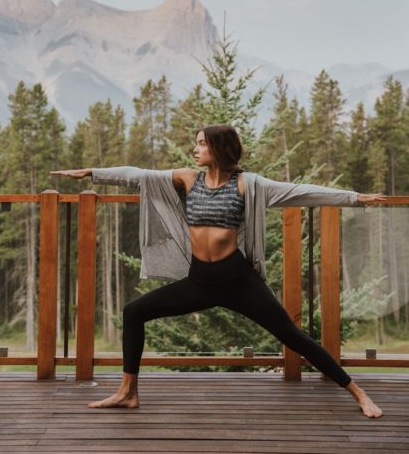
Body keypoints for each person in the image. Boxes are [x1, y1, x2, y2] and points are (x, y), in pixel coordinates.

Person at [50, 124, 385, 418]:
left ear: (219, 148)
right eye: (195, 143)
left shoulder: (248, 185)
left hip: (237, 280)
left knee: (292, 336)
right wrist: (93, 172)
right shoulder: (186, 178)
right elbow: (137, 175)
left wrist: (356, 198)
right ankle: (128, 392)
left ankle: (358, 393)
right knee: (134, 311)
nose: (194, 149)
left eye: (201, 144)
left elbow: (302, 191)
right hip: (200, 281)